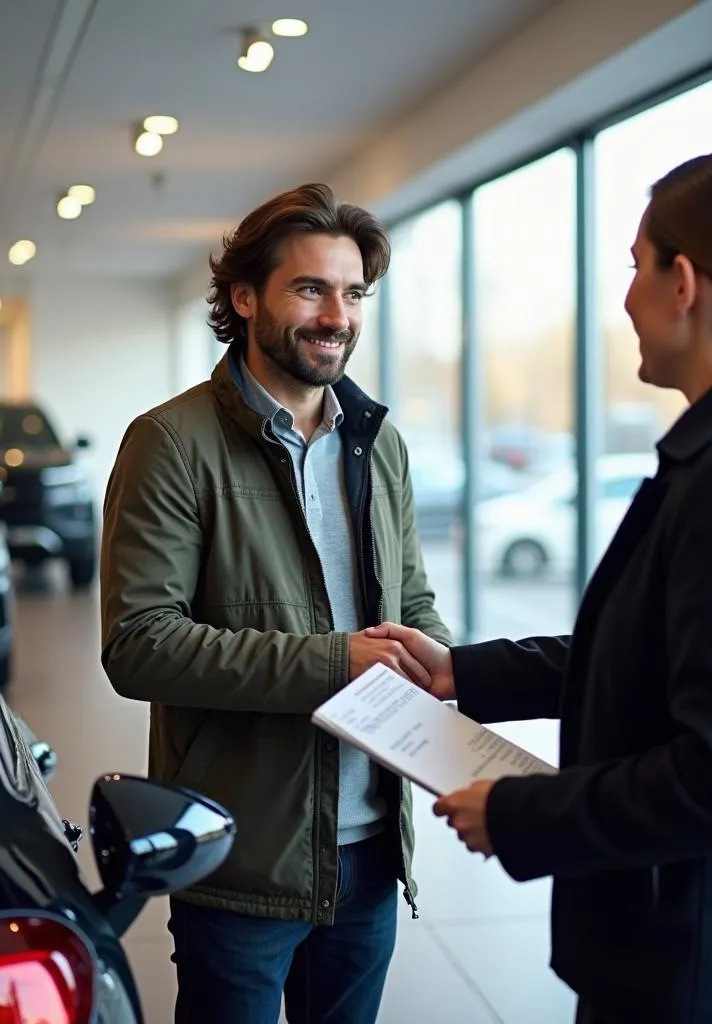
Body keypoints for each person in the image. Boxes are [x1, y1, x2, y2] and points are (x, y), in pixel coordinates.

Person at [366, 145, 712, 1024]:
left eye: (634, 267)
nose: (624, 299)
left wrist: (519, 812)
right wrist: (465, 673)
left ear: (683, 281)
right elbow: (661, 651)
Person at [100, 182, 451, 1024]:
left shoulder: (379, 442)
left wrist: (448, 686)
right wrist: (336, 662)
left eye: (354, 292)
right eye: (311, 289)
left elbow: (415, 602)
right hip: (242, 856)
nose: (338, 315)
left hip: (369, 847)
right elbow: (139, 644)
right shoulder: (171, 443)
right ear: (244, 297)